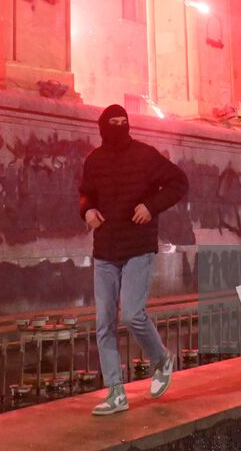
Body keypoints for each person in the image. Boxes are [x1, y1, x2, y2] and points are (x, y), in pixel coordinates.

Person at [78, 104, 189, 416]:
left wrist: (151, 206)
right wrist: (86, 211)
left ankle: (161, 359)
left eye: (122, 122)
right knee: (103, 324)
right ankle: (115, 393)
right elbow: (86, 194)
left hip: (138, 246)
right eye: (112, 123)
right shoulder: (94, 160)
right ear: (102, 126)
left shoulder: (146, 155)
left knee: (132, 314)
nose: (118, 127)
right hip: (105, 250)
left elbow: (179, 183)